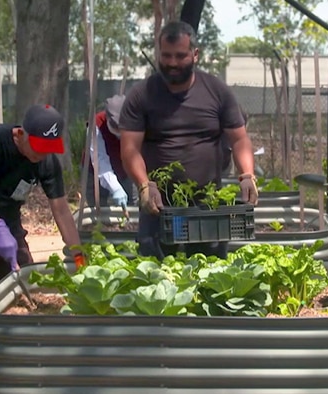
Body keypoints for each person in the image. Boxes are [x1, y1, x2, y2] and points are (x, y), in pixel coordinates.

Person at [0, 104, 84, 394]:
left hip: (9, 230)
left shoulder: (47, 162)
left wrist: (78, 253)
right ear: (20, 134)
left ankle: (23, 357)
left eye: (48, 148)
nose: (41, 154)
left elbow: (60, 208)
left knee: (29, 290)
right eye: (37, 146)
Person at [119, 20, 258, 260]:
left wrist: (247, 175)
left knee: (211, 277)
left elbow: (239, 139)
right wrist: (144, 184)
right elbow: (130, 149)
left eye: (180, 56)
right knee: (155, 277)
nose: (172, 63)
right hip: (157, 205)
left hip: (208, 208)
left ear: (195, 54)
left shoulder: (217, 91)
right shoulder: (142, 95)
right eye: (166, 56)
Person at [84, 94, 134, 208]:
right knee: (98, 206)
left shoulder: (136, 121)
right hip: (94, 170)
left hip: (125, 168)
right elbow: (99, 161)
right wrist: (115, 188)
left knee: (131, 204)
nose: (120, 133)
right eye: (116, 128)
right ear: (107, 118)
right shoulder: (95, 125)